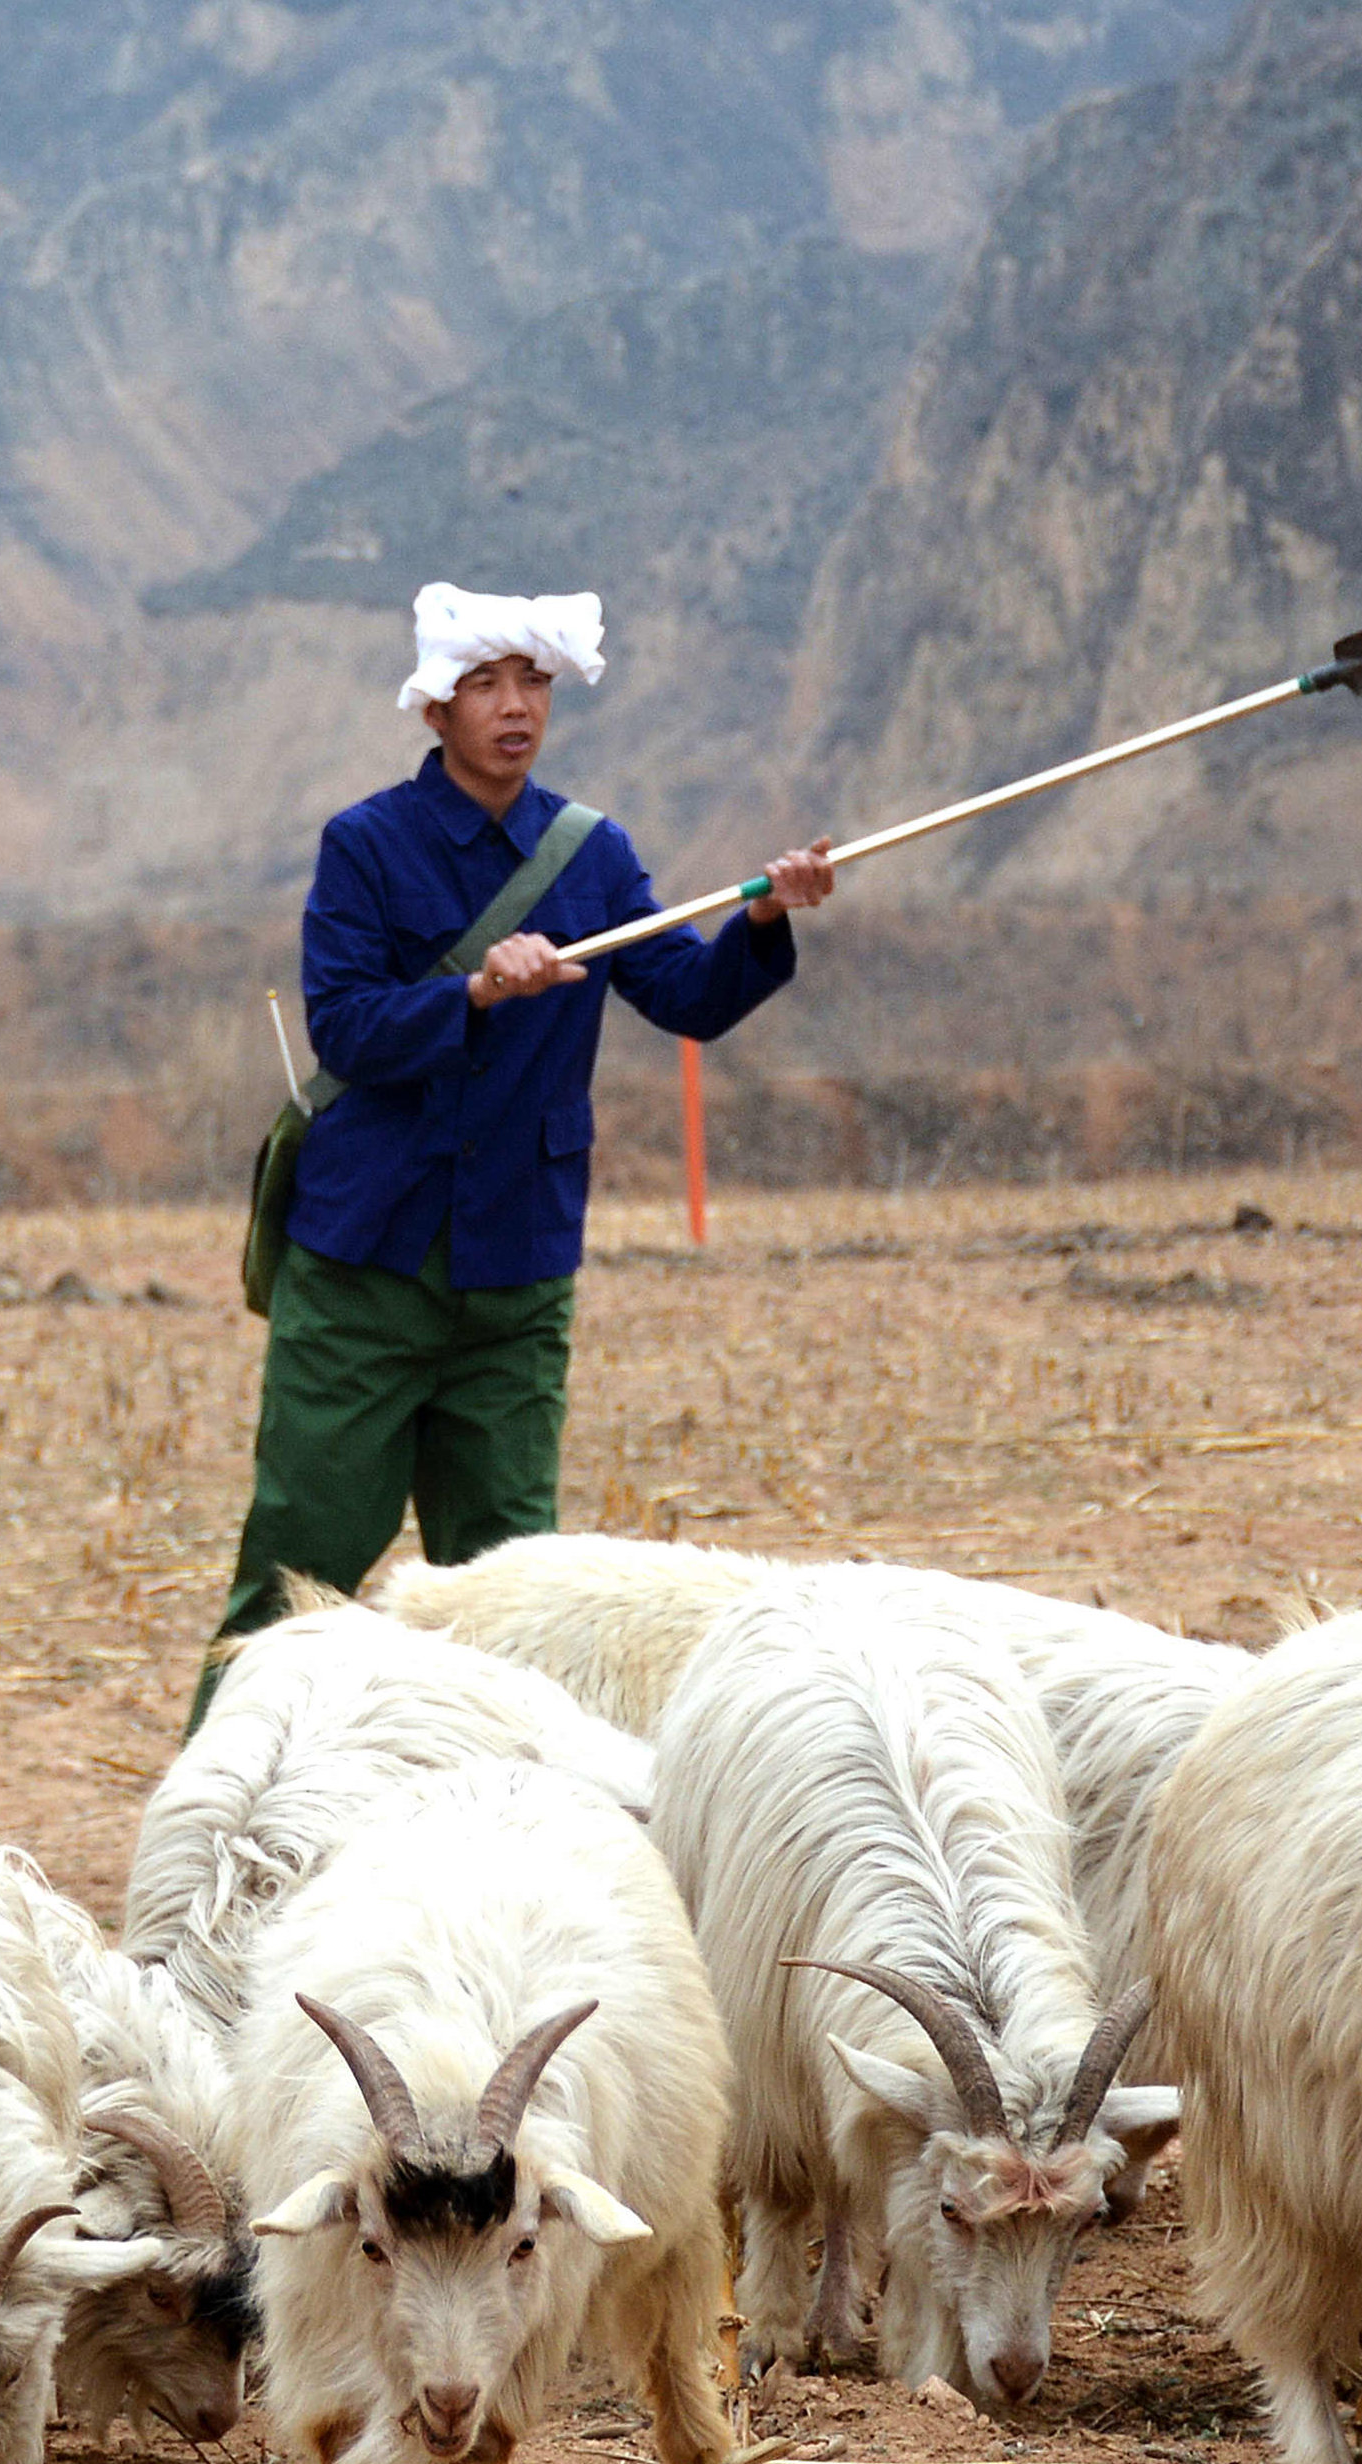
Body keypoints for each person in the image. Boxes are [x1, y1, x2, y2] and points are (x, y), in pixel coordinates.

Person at [191, 580, 833, 1726]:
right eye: (484, 684)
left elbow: (685, 994)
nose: (513, 705)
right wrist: (475, 996)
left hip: (516, 1280)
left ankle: (498, 1840)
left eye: (531, 680)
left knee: (511, 1597)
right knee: (299, 1581)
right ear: (435, 710)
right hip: (363, 1270)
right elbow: (344, 1025)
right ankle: (225, 1832)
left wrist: (767, 920)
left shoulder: (594, 852)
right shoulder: (367, 845)